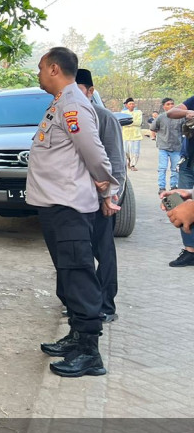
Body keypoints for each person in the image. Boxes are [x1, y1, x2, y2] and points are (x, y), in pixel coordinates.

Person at [27, 47, 118, 378]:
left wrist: (107, 190)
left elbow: (95, 154)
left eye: (40, 68)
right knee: (68, 274)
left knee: (78, 274)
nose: (37, 74)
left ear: (53, 69)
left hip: (68, 206)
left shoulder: (74, 104)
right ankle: (77, 337)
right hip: (54, 204)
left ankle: (89, 352)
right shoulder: (60, 103)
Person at [75, 69, 124, 321]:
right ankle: (85, 305)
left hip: (102, 200)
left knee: (103, 254)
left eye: (78, 90)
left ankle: (106, 306)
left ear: (91, 92)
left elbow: (116, 162)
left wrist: (112, 196)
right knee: (81, 255)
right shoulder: (68, 117)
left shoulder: (104, 118)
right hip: (76, 201)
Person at [162, 94, 194, 266]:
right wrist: (188, 113)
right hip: (188, 161)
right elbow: (172, 112)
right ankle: (190, 250)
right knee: (175, 202)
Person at [150, 98, 183, 192]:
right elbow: (153, 128)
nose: (171, 106)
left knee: (175, 168)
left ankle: (173, 186)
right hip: (163, 146)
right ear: (164, 106)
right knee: (162, 168)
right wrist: (154, 137)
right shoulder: (160, 117)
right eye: (168, 104)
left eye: (172, 104)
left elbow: (184, 130)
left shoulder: (180, 117)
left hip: (177, 146)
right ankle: (162, 187)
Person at [121, 98, 143, 170]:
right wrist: (131, 122)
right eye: (130, 104)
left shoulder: (138, 112)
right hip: (126, 135)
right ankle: (129, 161)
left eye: (133, 104)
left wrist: (129, 122)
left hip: (136, 135)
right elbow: (123, 123)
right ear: (127, 105)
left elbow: (138, 122)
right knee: (126, 151)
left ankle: (133, 165)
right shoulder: (123, 113)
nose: (132, 105)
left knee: (135, 151)